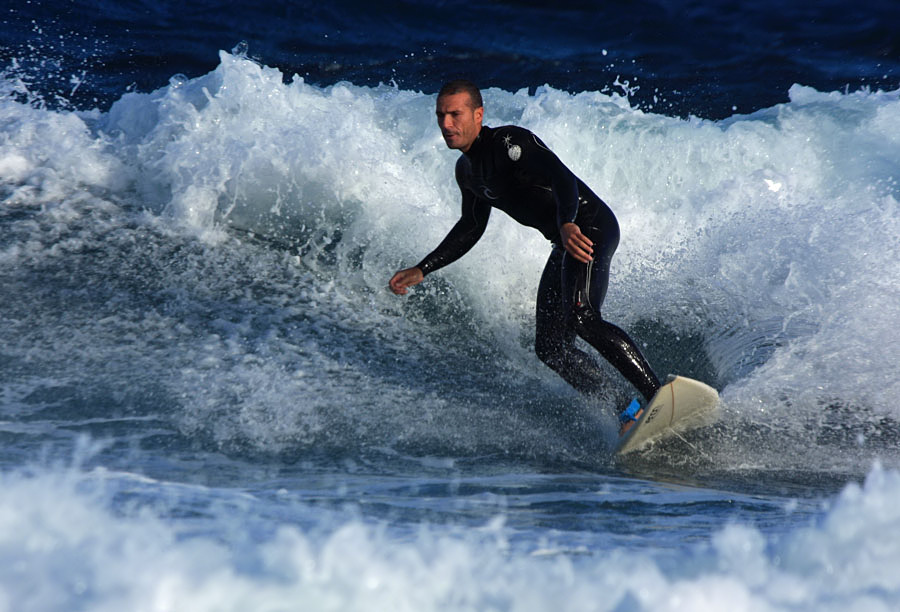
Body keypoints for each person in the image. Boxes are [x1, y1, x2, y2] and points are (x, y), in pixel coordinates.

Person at [389, 80, 660, 435]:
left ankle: (658, 396)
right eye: (441, 115)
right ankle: (629, 410)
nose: (446, 124)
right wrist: (424, 268)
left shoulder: (510, 143)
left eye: (455, 114)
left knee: (582, 317)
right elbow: (471, 226)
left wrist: (566, 223)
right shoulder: (467, 172)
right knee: (550, 348)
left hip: (588, 226)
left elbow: (563, 178)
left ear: (478, 114)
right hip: (563, 242)